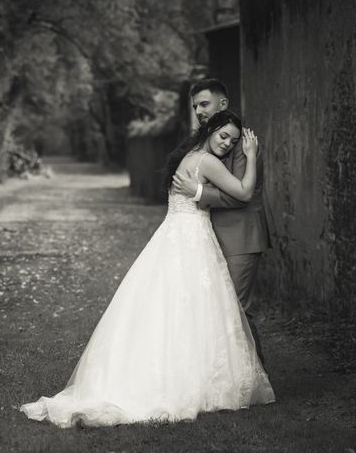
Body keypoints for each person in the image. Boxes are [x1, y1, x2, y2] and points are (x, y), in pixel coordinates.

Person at [20, 110, 275, 428]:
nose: (228, 144)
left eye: (235, 141)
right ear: (210, 130)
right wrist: (250, 156)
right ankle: (193, 380)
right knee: (196, 309)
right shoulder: (207, 161)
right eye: (224, 136)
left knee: (173, 308)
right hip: (192, 238)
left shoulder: (189, 155)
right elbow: (244, 192)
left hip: (174, 235)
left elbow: (209, 197)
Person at [172, 78, 271, 365]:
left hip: (241, 236)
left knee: (237, 309)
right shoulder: (206, 144)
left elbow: (242, 196)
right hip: (213, 236)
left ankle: (256, 374)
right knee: (218, 308)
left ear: (222, 103)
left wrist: (198, 192)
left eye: (204, 104)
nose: (199, 111)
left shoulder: (240, 142)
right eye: (195, 106)